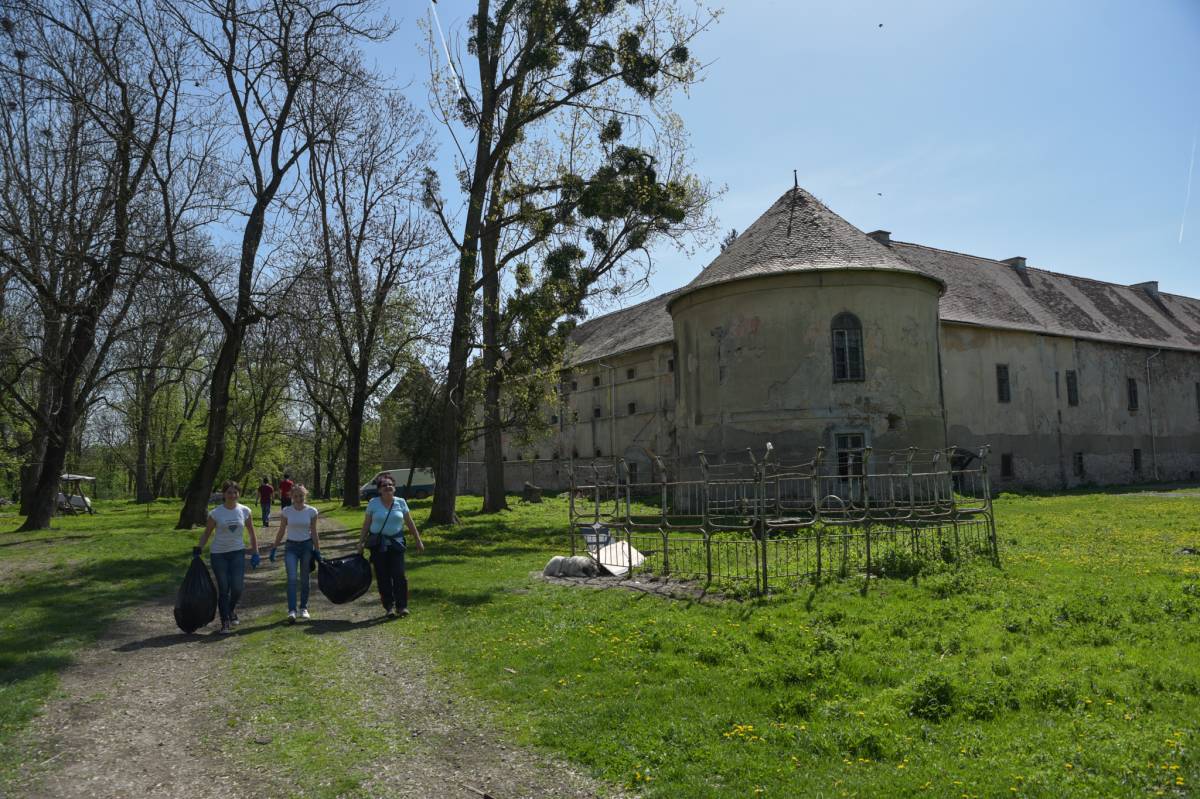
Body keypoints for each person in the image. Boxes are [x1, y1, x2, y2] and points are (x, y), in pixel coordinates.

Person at [195, 480, 260, 634]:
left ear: (239, 494)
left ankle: (230, 610)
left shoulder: (245, 511)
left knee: (237, 588)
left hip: (237, 553)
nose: (232, 495)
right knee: (223, 588)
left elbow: (251, 532)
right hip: (219, 554)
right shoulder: (216, 513)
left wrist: (255, 552)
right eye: (229, 492)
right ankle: (225, 621)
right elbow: (207, 533)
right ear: (224, 494)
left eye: (235, 492)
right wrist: (199, 548)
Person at [358, 474, 424, 618]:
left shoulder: (401, 502)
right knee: (383, 576)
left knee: (399, 575)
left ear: (394, 488)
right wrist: (361, 542)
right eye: (384, 485)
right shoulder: (373, 503)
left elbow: (409, 522)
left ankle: (402, 606)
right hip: (378, 545)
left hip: (396, 544)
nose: (387, 487)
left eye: (390, 485)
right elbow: (367, 524)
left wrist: (418, 540)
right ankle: (389, 607)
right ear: (379, 490)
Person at [269, 483, 321, 623]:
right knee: (292, 579)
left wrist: (317, 550)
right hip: (291, 547)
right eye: (296, 496)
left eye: (301, 496)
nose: (299, 499)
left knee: (305, 578)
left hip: (306, 547)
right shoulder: (286, 511)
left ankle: (303, 608)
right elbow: (281, 530)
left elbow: (314, 532)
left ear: (305, 495)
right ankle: (292, 610)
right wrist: (274, 547)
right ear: (291, 496)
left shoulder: (312, 511)